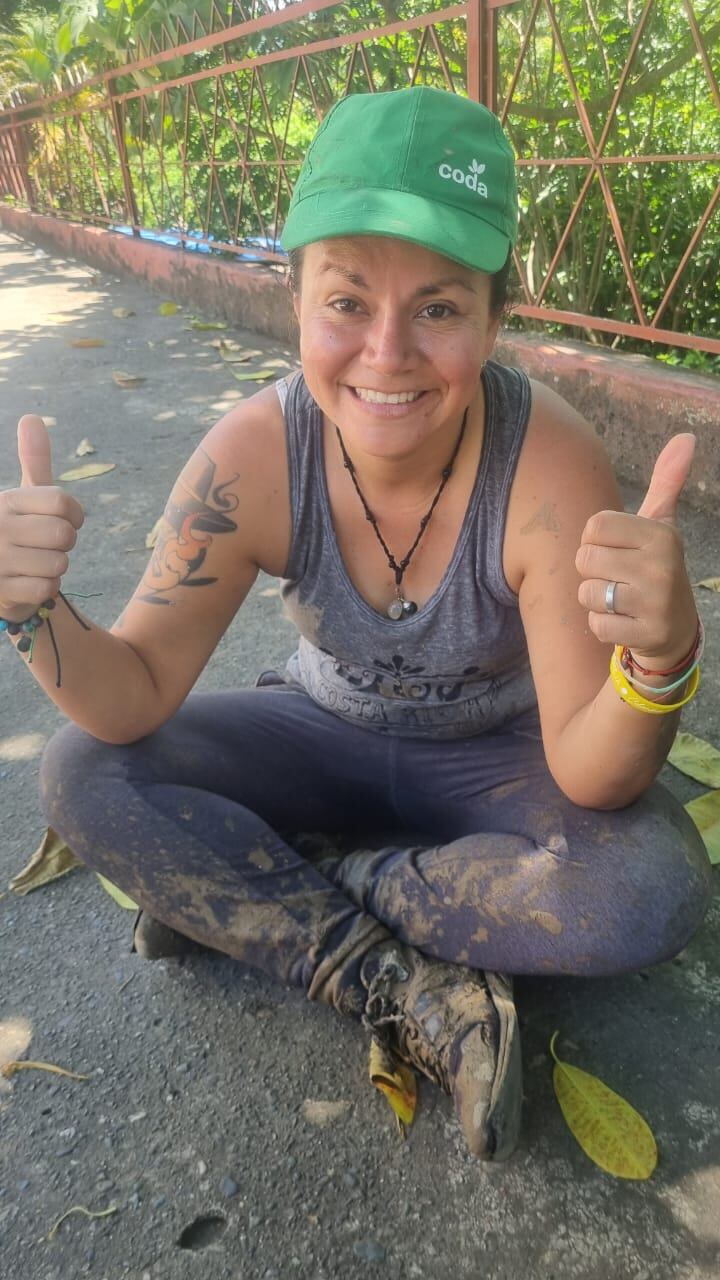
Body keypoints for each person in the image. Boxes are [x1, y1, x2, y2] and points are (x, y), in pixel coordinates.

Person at [0, 87, 712, 1163]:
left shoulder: (548, 466)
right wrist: (32, 612)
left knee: (647, 887)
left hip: (497, 757)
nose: (387, 353)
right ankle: (393, 977)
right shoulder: (253, 456)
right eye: (345, 301)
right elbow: (130, 694)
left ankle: (273, 886)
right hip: (319, 731)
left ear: (494, 319)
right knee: (85, 773)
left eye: (439, 308)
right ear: (294, 299)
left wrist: (661, 658)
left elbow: (589, 771)